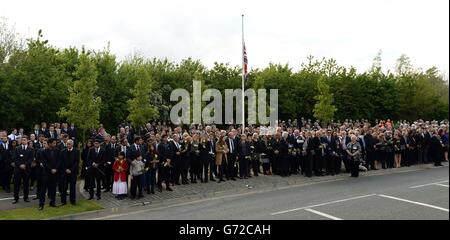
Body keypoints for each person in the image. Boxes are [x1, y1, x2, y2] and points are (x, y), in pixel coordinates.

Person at [12, 136, 33, 204]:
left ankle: (26, 198)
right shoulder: (17, 148)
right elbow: (15, 158)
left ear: (27, 141)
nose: (23, 141)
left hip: (26, 169)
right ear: (21, 141)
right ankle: (16, 198)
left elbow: (31, 159)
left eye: (24, 140)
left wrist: (25, 165)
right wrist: (20, 165)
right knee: (16, 184)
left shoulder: (31, 149)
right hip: (18, 169)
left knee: (26, 184)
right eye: (22, 140)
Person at [40, 138, 60, 208]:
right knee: (43, 190)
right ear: (50, 143)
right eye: (54, 143)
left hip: (54, 173)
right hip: (46, 173)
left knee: (53, 189)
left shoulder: (57, 151)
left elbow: (59, 161)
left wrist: (56, 169)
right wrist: (51, 169)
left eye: (55, 143)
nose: (55, 144)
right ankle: (41, 204)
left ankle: (52, 202)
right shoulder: (44, 152)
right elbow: (44, 163)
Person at [59, 139, 79, 206]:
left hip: (73, 173)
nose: (68, 145)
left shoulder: (77, 151)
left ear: (72, 144)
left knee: (72, 187)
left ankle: (72, 201)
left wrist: (71, 170)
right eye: (67, 144)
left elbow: (76, 162)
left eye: (69, 144)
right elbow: (61, 162)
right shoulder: (62, 151)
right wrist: (66, 169)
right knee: (64, 187)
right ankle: (63, 201)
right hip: (64, 173)